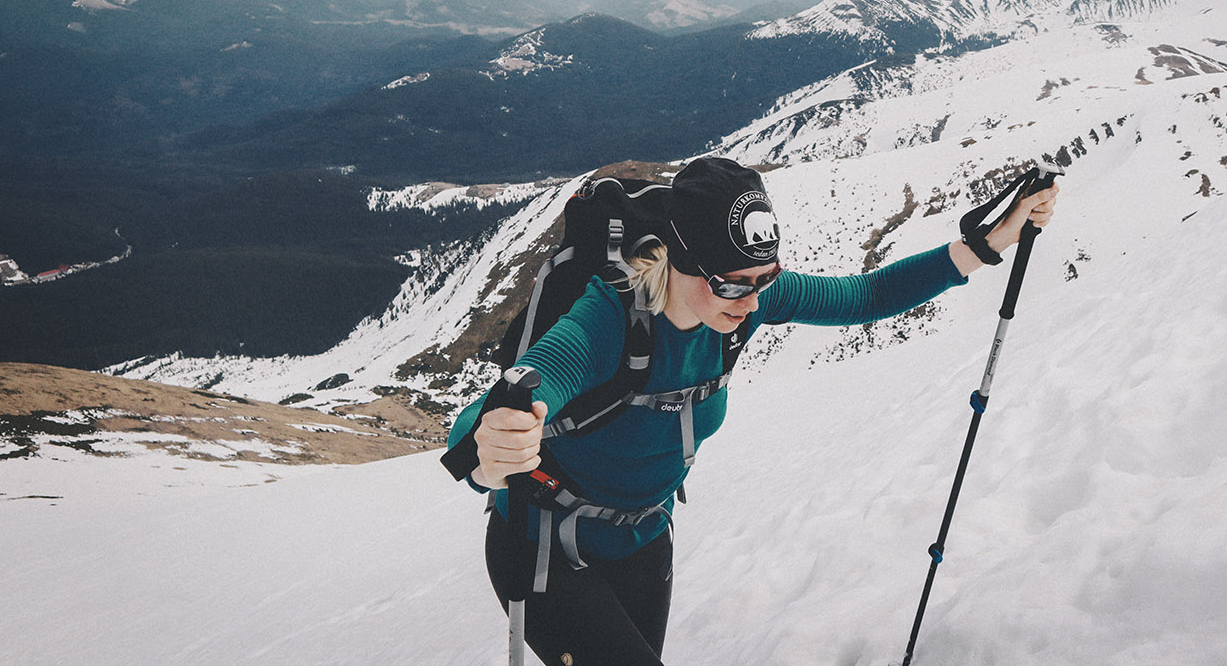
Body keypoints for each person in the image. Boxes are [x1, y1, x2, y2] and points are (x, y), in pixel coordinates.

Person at [448, 157, 1059, 665]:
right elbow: (523, 387)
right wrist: (493, 442)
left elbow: (867, 294)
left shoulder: (747, 298)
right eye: (732, 282)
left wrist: (987, 242)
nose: (750, 298)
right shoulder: (610, 316)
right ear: (678, 259)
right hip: (545, 549)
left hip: (643, 539)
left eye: (764, 278)